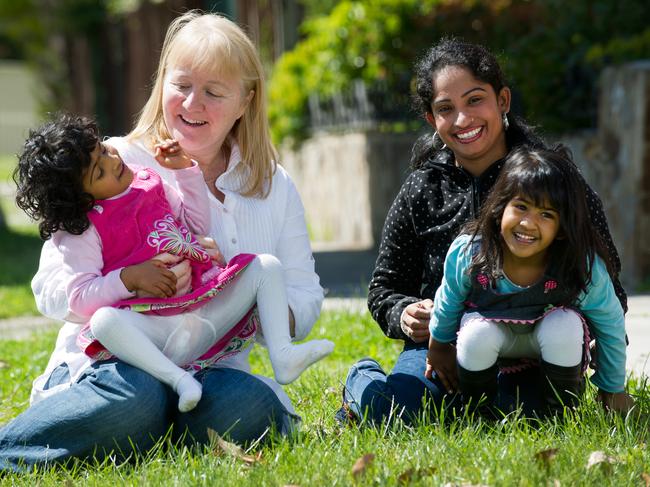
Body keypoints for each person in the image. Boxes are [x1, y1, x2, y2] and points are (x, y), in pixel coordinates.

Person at [0, 11, 325, 473]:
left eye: (214, 92)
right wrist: (131, 281)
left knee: (248, 407)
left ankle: (147, 427)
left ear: (245, 102)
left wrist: (230, 286)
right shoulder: (111, 166)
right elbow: (52, 290)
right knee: (138, 398)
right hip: (122, 359)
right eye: (181, 85)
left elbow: (304, 294)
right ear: (161, 84)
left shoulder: (271, 186)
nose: (193, 103)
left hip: (213, 363)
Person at [339, 38, 627, 424]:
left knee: (520, 417)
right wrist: (403, 313)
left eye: (475, 100)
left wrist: (596, 362)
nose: (462, 120)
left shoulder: (551, 181)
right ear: (431, 119)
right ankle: (362, 378)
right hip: (439, 353)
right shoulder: (422, 189)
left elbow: (608, 287)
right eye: (446, 109)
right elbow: (383, 287)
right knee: (395, 413)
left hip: (535, 350)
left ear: (502, 100)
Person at [13, 114, 333, 413]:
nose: (113, 162)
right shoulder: (83, 228)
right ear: (81, 199)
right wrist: (129, 279)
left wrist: (184, 171)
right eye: (99, 172)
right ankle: (179, 381)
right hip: (153, 329)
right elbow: (80, 299)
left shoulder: (146, 181)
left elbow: (194, 222)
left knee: (266, 266)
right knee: (103, 322)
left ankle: (283, 355)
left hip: (199, 308)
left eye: (104, 150)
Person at [425, 146, 633, 416]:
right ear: (500, 208)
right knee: (476, 335)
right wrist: (438, 348)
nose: (528, 223)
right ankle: (479, 414)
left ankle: (560, 413)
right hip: (489, 335)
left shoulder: (578, 266)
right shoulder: (471, 252)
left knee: (565, 325)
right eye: (521, 207)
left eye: (546, 214)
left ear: (561, 229)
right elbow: (448, 301)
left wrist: (613, 388)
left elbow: (610, 322)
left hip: (547, 343)